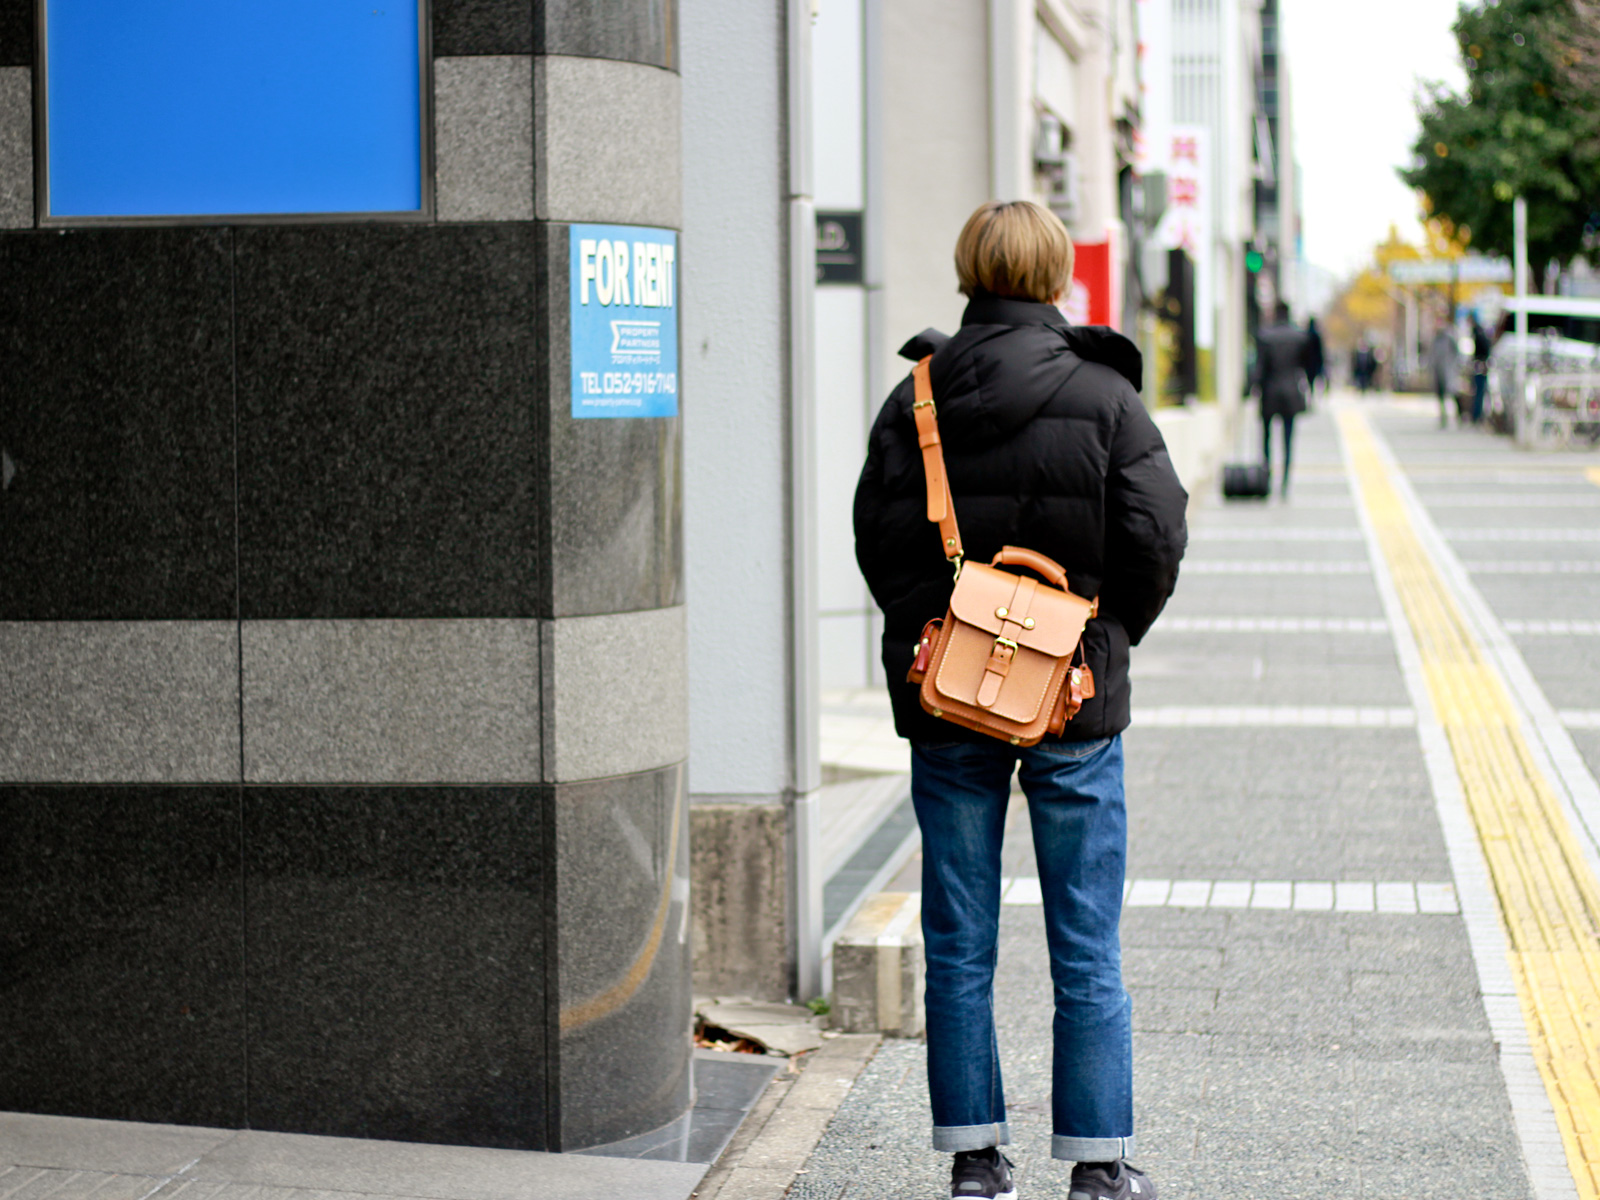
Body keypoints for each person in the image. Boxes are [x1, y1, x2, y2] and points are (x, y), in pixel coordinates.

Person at [853, 200, 1188, 1200]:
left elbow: (879, 539)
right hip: (1073, 696)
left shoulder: (916, 394)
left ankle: (975, 1161)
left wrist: (940, 629)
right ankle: (1097, 1166)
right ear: (1055, 276)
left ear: (970, 271)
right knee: (1085, 941)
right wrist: (1100, 637)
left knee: (958, 936)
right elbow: (1156, 533)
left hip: (950, 694)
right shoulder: (1106, 394)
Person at [1251, 301, 1312, 496]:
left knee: (1266, 437)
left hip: (1269, 391)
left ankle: (1267, 475)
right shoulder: (1299, 337)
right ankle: (1285, 479)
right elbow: (1306, 366)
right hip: (1291, 391)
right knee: (1288, 437)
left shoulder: (1264, 336)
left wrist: (1252, 387)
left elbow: (1259, 367)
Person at [1430, 324, 1460, 427]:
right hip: (1438, 370)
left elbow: (1456, 353)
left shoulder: (1449, 339)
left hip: (1448, 369)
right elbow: (1432, 355)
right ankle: (1443, 415)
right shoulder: (1436, 340)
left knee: (1452, 392)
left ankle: (1457, 414)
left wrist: (1455, 366)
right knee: (1440, 394)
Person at [1471, 318, 1492, 424]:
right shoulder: (1481, 335)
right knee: (1480, 392)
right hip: (1481, 366)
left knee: (1480, 392)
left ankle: (1478, 415)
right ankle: (1478, 415)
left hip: (1480, 367)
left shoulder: (1479, 336)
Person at [1305, 315, 1326, 398]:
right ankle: (1313, 394)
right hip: (1315, 362)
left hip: (1307, 362)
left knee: (1309, 379)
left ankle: (1311, 393)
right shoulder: (1316, 336)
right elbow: (1320, 351)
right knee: (1316, 379)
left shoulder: (1305, 335)